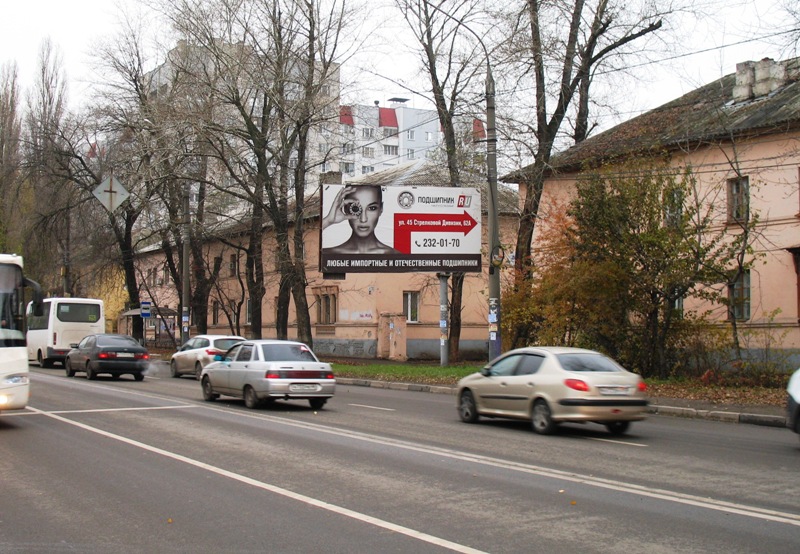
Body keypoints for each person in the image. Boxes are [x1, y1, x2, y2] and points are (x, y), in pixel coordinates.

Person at [322, 185, 398, 254]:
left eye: (372, 208)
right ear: (345, 209)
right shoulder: (328, 254)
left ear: (381, 209)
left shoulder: (395, 256)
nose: (363, 219)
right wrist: (328, 221)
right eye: (356, 208)